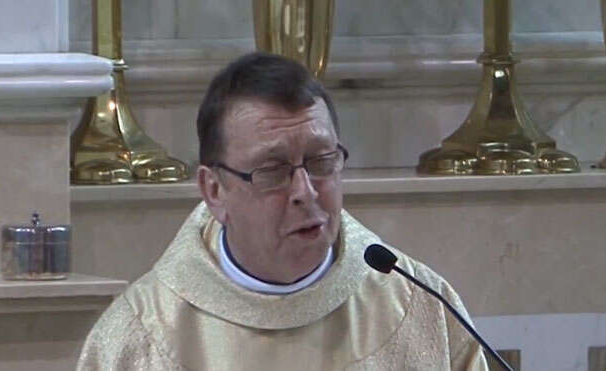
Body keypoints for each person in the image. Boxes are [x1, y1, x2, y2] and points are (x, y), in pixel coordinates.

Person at [77, 52, 488, 371]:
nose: (305, 191)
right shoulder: (140, 337)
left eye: (322, 160)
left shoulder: (421, 307)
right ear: (214, 190)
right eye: (272, 170)